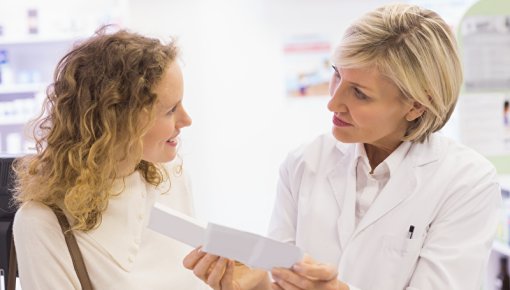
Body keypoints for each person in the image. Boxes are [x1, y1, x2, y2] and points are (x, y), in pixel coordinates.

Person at [184, 3, 502, 290]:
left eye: (359, 93)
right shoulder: (304, 162)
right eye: (336, 75)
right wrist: (256, 287)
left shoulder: (467, 182)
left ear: (417, 105)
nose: (333, 103)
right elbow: (280, 278)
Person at [12, 27, 198, 289]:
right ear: (119, 120)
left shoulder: (172, 178)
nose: (186, 120)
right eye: (170, 110)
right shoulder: (43, 222)